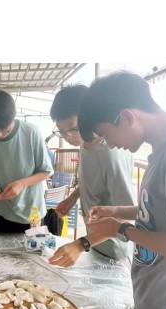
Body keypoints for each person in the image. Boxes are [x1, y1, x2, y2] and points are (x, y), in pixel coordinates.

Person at [76, 71, 166, 309]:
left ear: (127, 117)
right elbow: (163, 211)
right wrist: (116, 211)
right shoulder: (165, 149)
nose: (111, 144)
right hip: (156, 299)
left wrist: (121, 229)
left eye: (106, 135)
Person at [48, 85, 135, 265]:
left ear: (89, 117)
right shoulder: (85, 144)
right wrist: (72, 198)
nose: (68, 137)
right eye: (61, 131)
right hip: (94, 241)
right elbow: (93, 180)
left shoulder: (110, 153)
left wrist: (82, 244)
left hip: (115, 248)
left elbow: (128, 214)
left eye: (73, 129)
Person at [0, 89, 54, 233]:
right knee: (0, 248)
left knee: (33, 248)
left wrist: (22, 183)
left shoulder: (31, 132)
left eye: (5, 130)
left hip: (31, 213)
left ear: (14, 116)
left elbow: (46, 171)